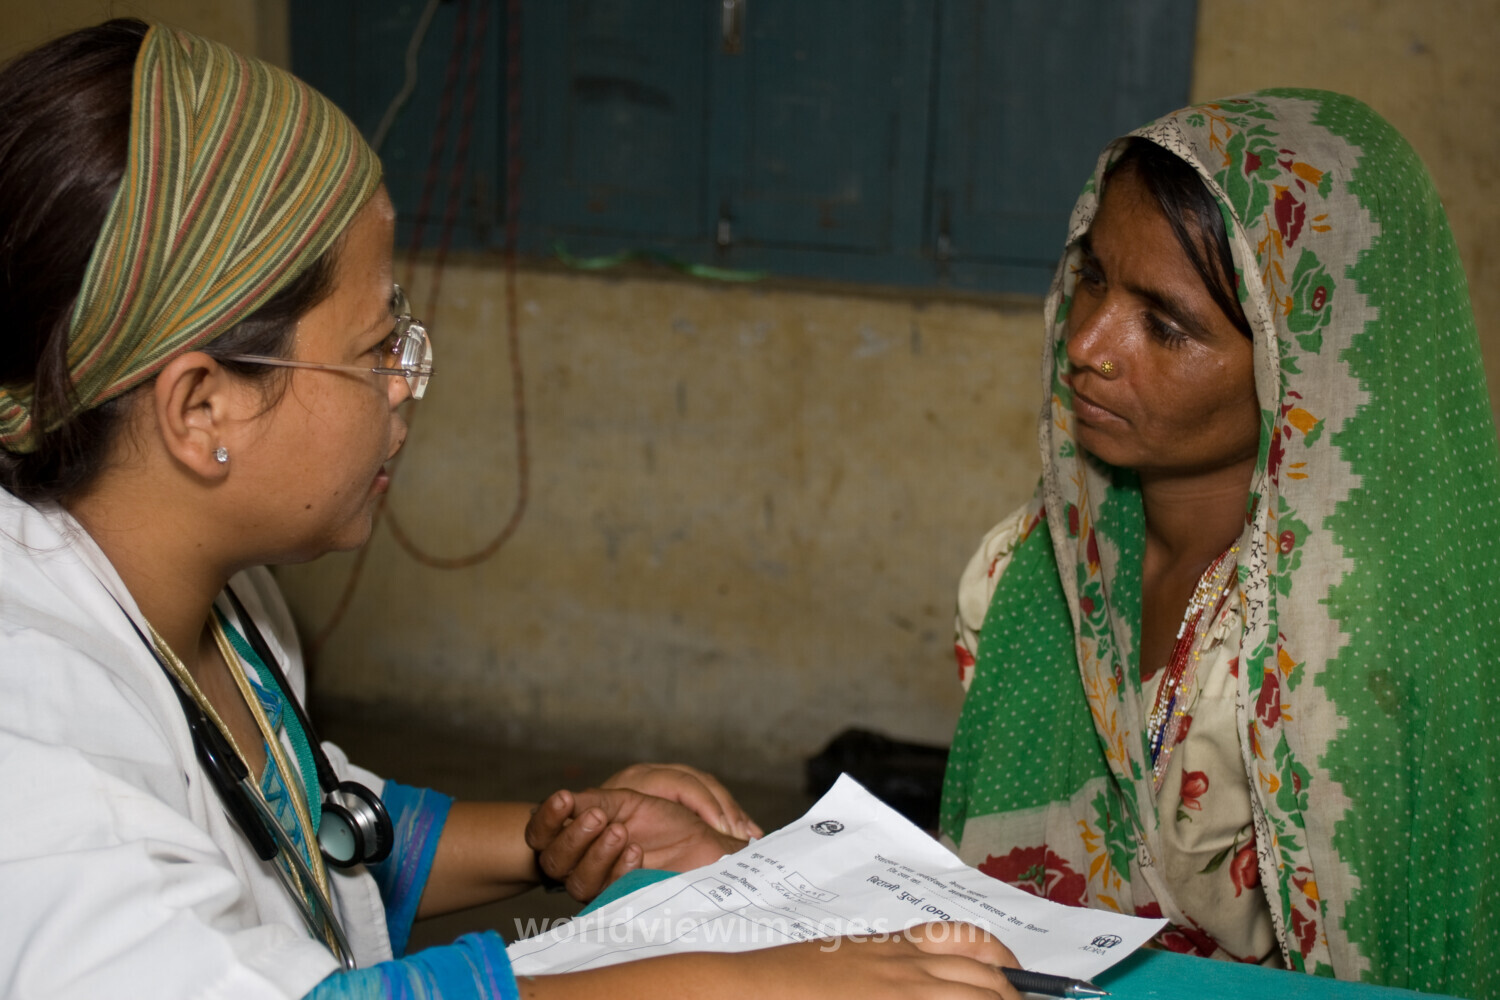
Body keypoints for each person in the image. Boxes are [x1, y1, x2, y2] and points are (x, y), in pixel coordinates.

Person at [0, 19, 1022, 1000]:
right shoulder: (37, 747)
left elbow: (319, 826)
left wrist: (554, 836)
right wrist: (748, 981)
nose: (406, 383)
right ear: (202, 409)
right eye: (376, 349)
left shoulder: (219, 596)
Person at [939, 89, 1499, 999]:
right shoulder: (1036, 569)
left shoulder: (1355, 658)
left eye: (1166, 327)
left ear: (1302, 360)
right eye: (1092, 277)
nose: (1087, 343)